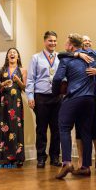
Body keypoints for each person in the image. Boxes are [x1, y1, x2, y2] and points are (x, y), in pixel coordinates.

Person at [53, 33, 96, 179]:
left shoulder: (66, 59)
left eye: (66, 43)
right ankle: (85, 167)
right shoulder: (92, 55)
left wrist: (56, 93)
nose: (64, 46)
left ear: (71, 46)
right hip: (90, 99)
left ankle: (67, 163)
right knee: (85, 131)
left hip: (74, 97)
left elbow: (57, 79)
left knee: (64, 127)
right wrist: (79, 54)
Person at [25, 31, 62, 168]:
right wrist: (30, 96)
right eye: (50, 41)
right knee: (41, 129)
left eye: (54, 41)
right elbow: (30, 79)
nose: (53, 43)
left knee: (56, 129)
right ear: (45, 42)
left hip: (57, 97)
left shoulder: (60, 57)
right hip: (41, 97)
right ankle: (41, 157)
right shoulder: (36, 58)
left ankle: (55, 157)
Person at [0, 48, 27, 167]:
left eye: (14, 52)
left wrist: (18, 80)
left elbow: (24, 88)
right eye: (10, 52)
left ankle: (18, 157)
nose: (12, 54)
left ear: (18, 56)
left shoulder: (22, 70)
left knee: (16, 127)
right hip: (4, 101)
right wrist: (3, 84)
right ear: (7, 56)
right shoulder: (2, 70)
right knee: (4, 127)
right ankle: (5, 157)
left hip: (16, 102)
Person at [76, 35, 96, 170]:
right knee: (79, 129)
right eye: (84, 40)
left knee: (95, 128)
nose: (87, 42)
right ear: (80, 44)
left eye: (89, 40)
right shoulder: (75, 58)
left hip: (94, 96)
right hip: (79, 97)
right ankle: (81, 159)